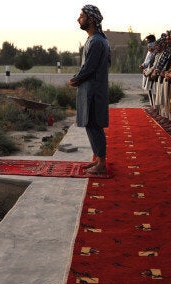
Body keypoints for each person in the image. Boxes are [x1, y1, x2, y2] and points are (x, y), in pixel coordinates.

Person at [69, 4, 110, 174]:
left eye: (82, 16)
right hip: (90, 90)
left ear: (91, 20)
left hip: (94, 91)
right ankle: (98, 159)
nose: (79, 19)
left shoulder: (97, 42)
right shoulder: (93, 40)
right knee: (90, 124)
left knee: (94, 124)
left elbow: (90, 67)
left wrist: (76, 79)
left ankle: (101, 163)